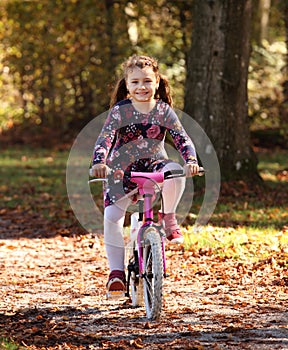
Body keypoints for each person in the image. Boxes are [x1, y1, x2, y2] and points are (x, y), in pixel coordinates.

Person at [91, 55, 199, 295]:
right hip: (121, 169)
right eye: (136, 82)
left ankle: (169, 218)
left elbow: (182, 138)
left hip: (153, 166)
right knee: (112, 216)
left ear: (157, 82)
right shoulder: (120, 111)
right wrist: (99, 162)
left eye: (148, 81)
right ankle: (116, 273)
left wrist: (190, 160)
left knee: (174, 171)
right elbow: (106, 137)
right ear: (127, 85)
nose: (142, 87)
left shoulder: (164, 111)